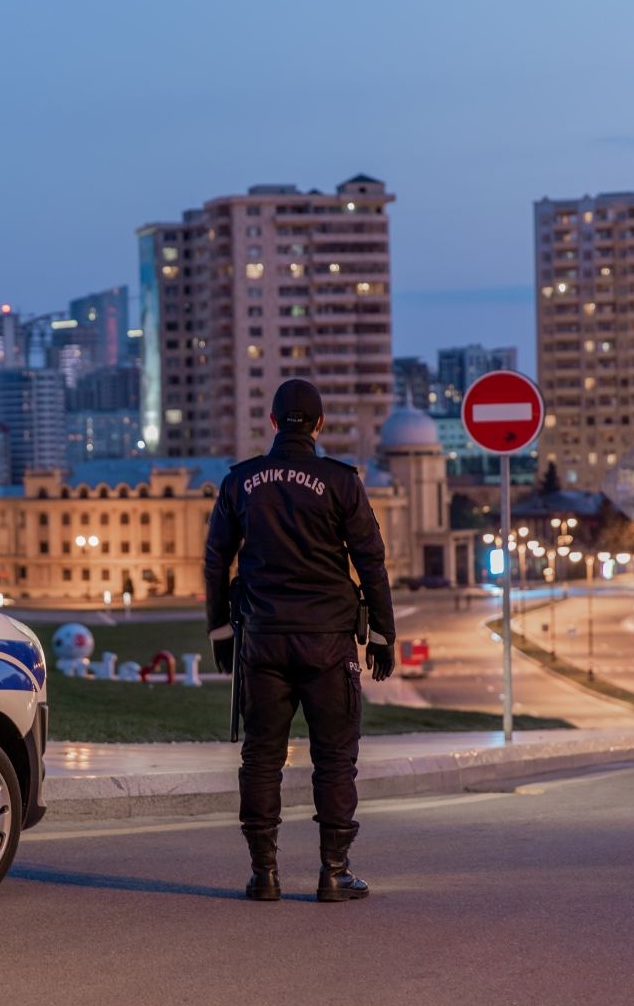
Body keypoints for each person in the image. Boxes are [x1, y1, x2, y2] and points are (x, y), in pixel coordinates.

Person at [203, 378, 396, 903]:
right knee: (334, 758)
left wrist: (219, 627)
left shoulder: (240, 482)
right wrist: (382, 633)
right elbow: (370, 560)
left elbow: (217, 559)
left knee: (261, 755)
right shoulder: (341, 481)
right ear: (319, 424)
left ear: (271, 423)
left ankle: (263, 873)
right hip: (328, 642)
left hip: (262, 640)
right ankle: (334, 872)